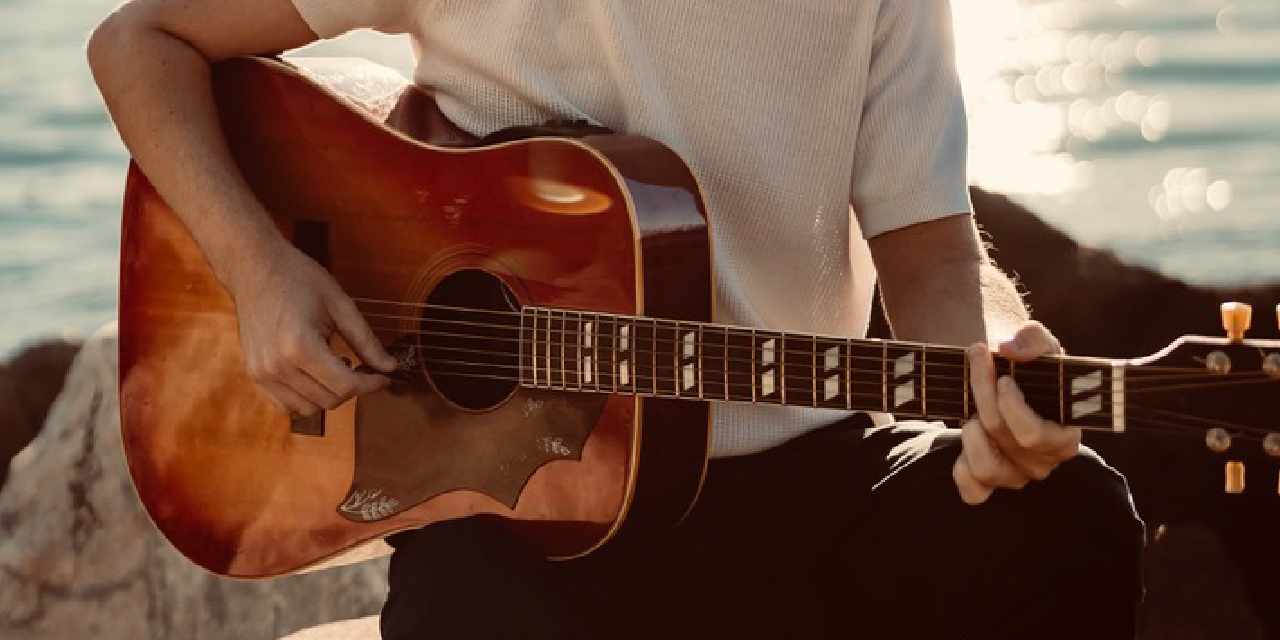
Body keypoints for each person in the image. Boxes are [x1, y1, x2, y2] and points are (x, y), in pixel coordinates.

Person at [87, 0, 1144, 637]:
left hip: (801, 483)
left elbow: (923, 237)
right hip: (515, 522)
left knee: (1068, 516)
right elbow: (143, 38)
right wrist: (259, 267)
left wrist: (987, 384)